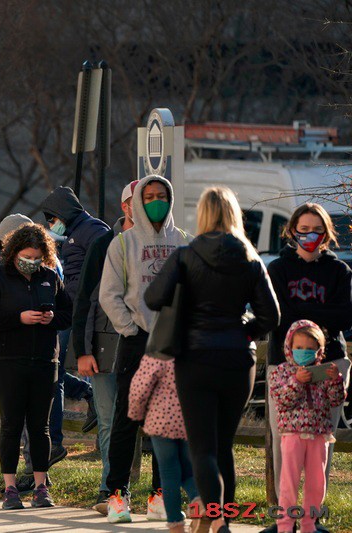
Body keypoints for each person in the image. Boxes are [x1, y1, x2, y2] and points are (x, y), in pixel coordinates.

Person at [145, 186, 279, 533]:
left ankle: (215, 519)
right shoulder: (250, 258)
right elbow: (271, 316)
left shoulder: (186, 256)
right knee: (224, 446)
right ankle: (225, 519)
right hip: (238, 360)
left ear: (203, 214)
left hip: (195, 358)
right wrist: (243, 330)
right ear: (234, 213)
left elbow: (153, 296)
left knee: (201, 447)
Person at [98, 175, 190, 523]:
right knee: (126, 421)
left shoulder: (182, 242)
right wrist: (131, 328)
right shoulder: (122, 244)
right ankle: (117, 496)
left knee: (168, 425)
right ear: (136, 201)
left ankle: (161, 495)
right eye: (148, 196)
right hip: (136, 343)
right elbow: (109, 294)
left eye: (161, 195)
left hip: (173, 345)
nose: (155, 201)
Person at [263, 203, 352, 533]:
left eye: (316, 229)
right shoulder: (277, 269)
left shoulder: (339, 272)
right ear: (292, 231)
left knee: (321, 447)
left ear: (326, 233)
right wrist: (316, 318)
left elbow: (346, 316)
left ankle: (312, 520)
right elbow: (277, 316)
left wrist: (301, 318)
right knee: (282, 444)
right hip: (284, 365)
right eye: (303, 229)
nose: (309, 236)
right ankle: (283, 518)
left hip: (329, 365)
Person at [0, 223, 72, 510]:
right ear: (14, 252)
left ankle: (41, 486)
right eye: (27, 256)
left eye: (37, 257)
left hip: (44, 361)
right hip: (9, 362)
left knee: (40, 427)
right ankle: (10, 488)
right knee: (11, 426)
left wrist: (50, 319)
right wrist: (19, 318)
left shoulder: (50, 277)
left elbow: (67, 314)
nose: (32, 262)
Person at [72, 180, 137, 508]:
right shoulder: (103, 244)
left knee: (153, 421)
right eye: (138, 201)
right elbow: (84, 299)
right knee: (110, 419)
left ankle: (159, 493)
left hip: (147, 345)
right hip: (106, 347)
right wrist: (82, 351)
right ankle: (110, 490)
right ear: (125, 206)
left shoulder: (167, 243)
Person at [39, 187, 107, 463]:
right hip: (74, 310)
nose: (50, 225)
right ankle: (55, 437)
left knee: (50, 369)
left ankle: (53, 441)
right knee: (49, 368)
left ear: (63, 213)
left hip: (82, 313)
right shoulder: (77, 234)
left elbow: (91, 278)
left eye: (51, 219)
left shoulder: (92, 231)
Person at [269, 321, 345, 533]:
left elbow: (336, 400)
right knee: (288, 483)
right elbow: (282, 401)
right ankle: (285, 526)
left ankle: (309, 526)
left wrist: (335, 381)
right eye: (299, 348)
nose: (303, 352)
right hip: (292, 435)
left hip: (319, 435)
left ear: (319, 351)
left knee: (316, 484)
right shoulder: (282, 372)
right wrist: (297, 381)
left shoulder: (322, 372)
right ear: (289, 346)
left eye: (310, 349)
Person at [128, 353, 200, 533]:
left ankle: (175, 524)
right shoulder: (198, 355)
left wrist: (136, 415)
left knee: (169, 474)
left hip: (161, 422)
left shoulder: (157, 355)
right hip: (190, 420)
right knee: (188, 471)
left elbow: (139, 389)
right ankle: (198, 499)